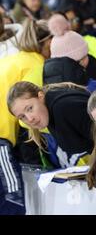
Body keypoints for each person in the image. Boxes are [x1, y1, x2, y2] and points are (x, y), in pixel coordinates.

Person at [0, 19, 52, 215]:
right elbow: (36, 112)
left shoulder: (17, 58)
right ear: (45, 43)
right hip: (2, 137)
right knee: (13, 197)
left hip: (5, 133)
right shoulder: (35, 62)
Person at [7, 82, 93, 167]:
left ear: (40, 96)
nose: (30, 119)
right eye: (22, 117)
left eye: (30, 108)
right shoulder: (50, 110)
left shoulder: (63, 107)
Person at [43, 13, 96, 92]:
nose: (88, 57)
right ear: (80, 61)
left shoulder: (49, 73)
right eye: (85, 56)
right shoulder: (92, 84)